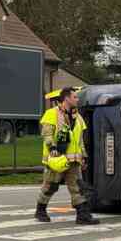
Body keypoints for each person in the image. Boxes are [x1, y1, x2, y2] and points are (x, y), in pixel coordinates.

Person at [35, 87, 100, 225]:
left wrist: (84, 156)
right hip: (57, 159)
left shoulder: (78, 117)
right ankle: (40, 210)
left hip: (74, 161)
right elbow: (47, 133)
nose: (77, 99)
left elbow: (80, 139)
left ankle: (83, 215)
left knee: (78, 187)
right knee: (50, 186)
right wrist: (52, 147)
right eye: (75, 97)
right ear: (66, 98)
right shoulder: (51, 113)